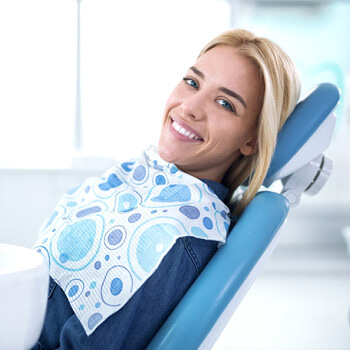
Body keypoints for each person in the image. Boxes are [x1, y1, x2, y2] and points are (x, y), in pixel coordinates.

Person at [32, 28, 300, 349]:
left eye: (225, 103)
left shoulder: (172, 238)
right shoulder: (140, 176)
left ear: (252, 139)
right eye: (192, 82)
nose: (189, 107)